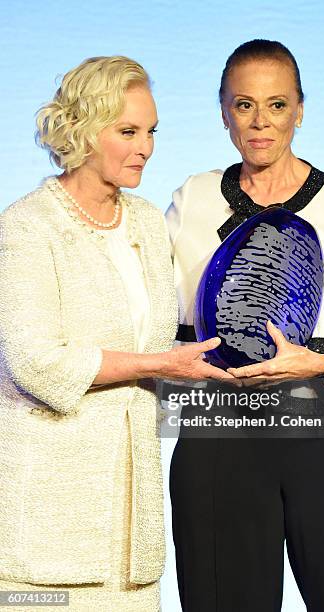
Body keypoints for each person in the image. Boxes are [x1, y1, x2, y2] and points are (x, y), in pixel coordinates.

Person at [166, 40, 324, 611]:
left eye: (276, 105)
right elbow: (169, 319)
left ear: (300, 109)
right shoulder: (193, 197)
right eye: (243, 105)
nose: (260, 122)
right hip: (219, 431)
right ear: (223, 110)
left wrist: (315, 362)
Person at [0, 55, 232, 612]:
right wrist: (159, 365)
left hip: (132, 532)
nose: (145, 147)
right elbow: (34, 362)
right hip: (48, 528)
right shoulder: (27, 227)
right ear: (81, 132)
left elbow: (160, 344)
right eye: (127, 131)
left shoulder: (150, 223)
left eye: (150, 131)